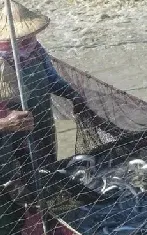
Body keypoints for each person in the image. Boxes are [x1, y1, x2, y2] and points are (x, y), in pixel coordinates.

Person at [0, 1, 90, 233]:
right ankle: (31, 214)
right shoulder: (1, 60)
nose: (28, 40)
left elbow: (51, 79)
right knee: (21, 176)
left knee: (46, 163)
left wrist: (73, 95)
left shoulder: (37, 50)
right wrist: (6, 122)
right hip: (13, 134)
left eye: (30, 34)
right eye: (22, 36)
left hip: (41, 118)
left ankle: (49, 209)